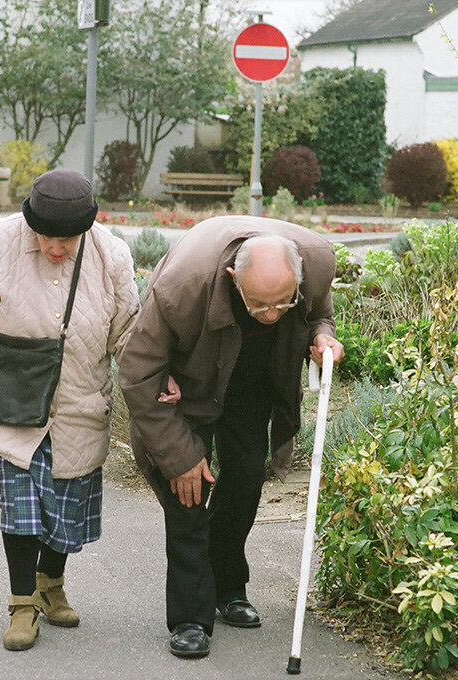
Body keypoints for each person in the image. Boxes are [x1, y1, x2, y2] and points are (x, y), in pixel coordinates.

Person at [117, 215, 344, 658]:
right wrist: (180, 456)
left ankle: (228, 586)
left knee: (244, 479)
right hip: (190, 377)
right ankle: (190, 617)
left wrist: (322, 337)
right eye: (259, 304)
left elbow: (319, 313)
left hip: (250, 378)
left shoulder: (314, 263)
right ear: (231, 278)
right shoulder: (183, 287)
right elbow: (137, 372)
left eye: (283, 302)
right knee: (187, 490)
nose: (273, 314)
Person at [0, 169, 139, 651]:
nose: (57, 247)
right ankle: (21, 603)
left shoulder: (111, 254)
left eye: (69, 239)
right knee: (23, 508)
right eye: (48, 236)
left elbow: (128, 332)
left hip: (79, 399)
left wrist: (152, 385)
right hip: (12, 398)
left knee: (65, 511)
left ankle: (50, 583)